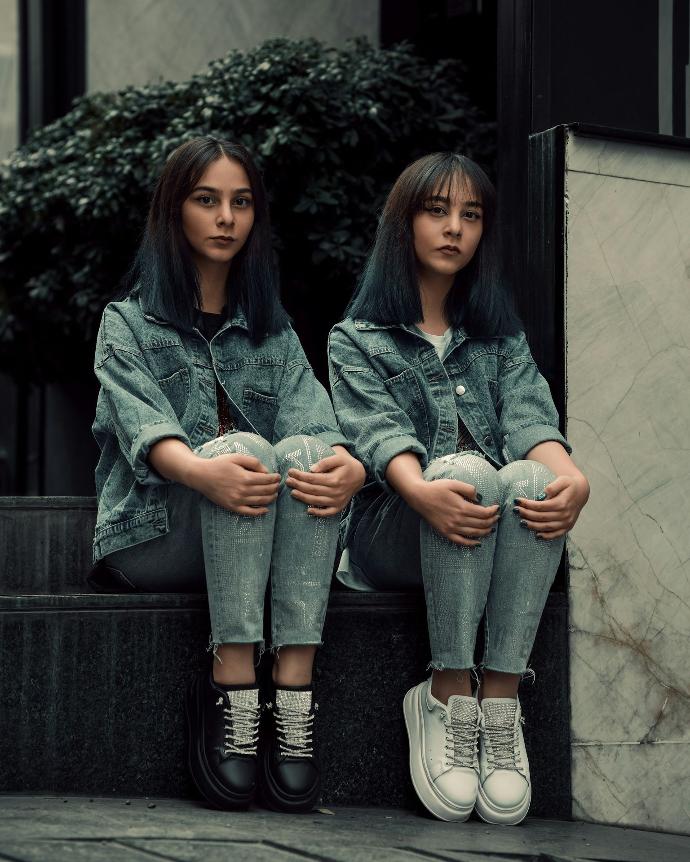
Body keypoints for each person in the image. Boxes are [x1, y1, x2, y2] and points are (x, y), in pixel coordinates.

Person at [90, 136, 365, 813]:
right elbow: (147, 436)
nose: (226, 218)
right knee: (235, 449)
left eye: (241, 203)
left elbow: (322, 434)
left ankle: (293, 685)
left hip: (254, 536)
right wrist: (204, 470)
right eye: (206, 200)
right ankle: (233, 676)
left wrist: (352, 470)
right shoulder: (126, 324)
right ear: (173, 212)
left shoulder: (272, 333)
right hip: (153, 533)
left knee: (306, 455)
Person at [326, 152, 589, 825]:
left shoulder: (500, 339)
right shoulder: (357, 340)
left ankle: (497, 701)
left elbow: (533, 422)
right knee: (466, 472)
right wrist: (423, 488)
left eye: (470, 215)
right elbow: (378, 437)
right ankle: (445, 692)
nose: (454, 229)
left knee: (533, 477)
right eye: (437, 211)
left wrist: (573, 481)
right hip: (394, 536)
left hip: (482, 527)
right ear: (403, 224)